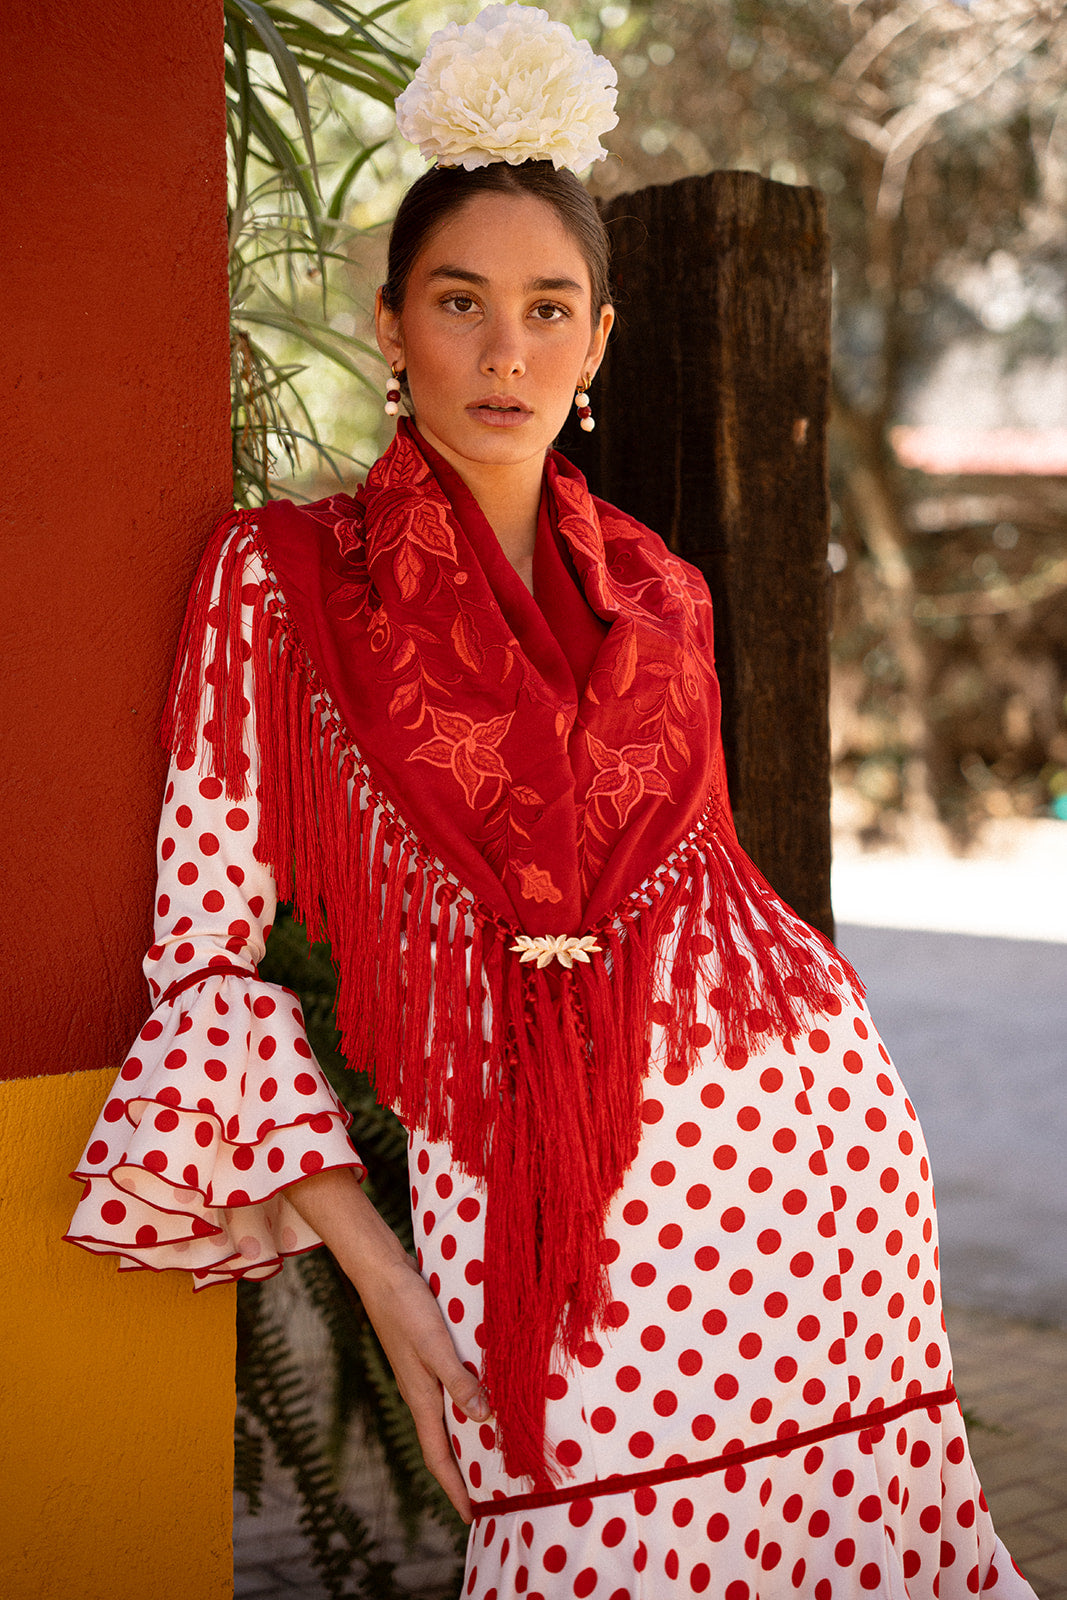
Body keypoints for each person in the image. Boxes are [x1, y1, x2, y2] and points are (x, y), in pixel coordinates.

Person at [67, 6, 1036, 1596]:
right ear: (391, 325)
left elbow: (718, 892)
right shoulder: (282, 582)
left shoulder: (665, 591)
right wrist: (389, 1284)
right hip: (534, 1223)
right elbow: (204, 968)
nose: (505, 351)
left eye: (547, 308)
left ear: (597, 343)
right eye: (462, 303)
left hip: (813, 1172)